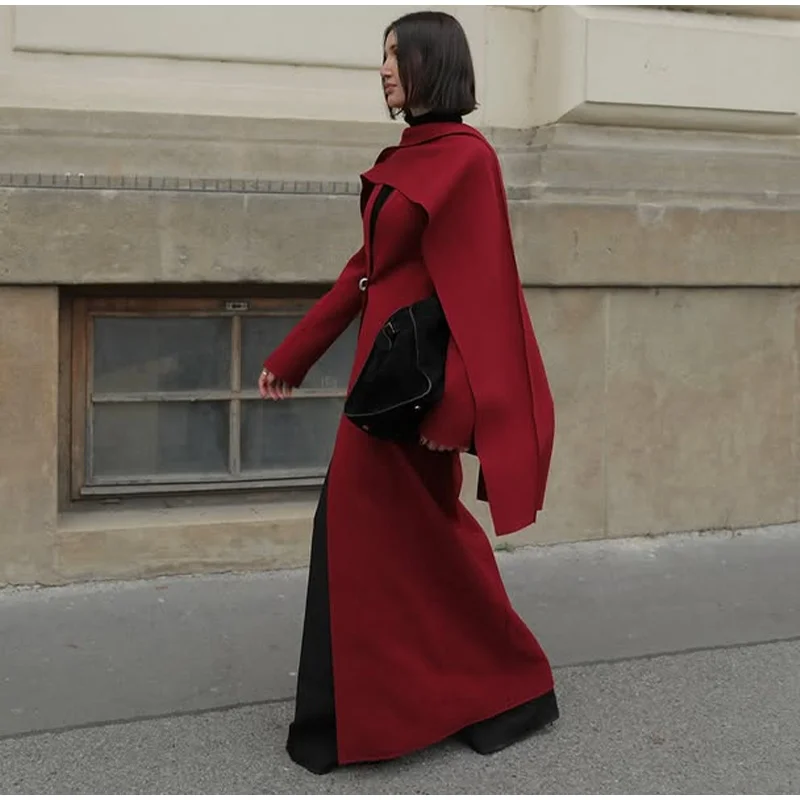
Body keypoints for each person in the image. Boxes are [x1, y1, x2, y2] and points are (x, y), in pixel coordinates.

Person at [258, 10, 558, 775]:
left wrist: (456, 411)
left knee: (404, 537)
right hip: (379, 387)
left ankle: (502, 687)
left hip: (419, 395)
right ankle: (439, 698)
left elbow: (484, 296)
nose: (384, 68)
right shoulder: (407, 157)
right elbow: (364, 271)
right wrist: (294, 355)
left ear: (434, 62)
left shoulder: (468, 160)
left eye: (397, 55)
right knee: (395, 541)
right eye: (383, 55)